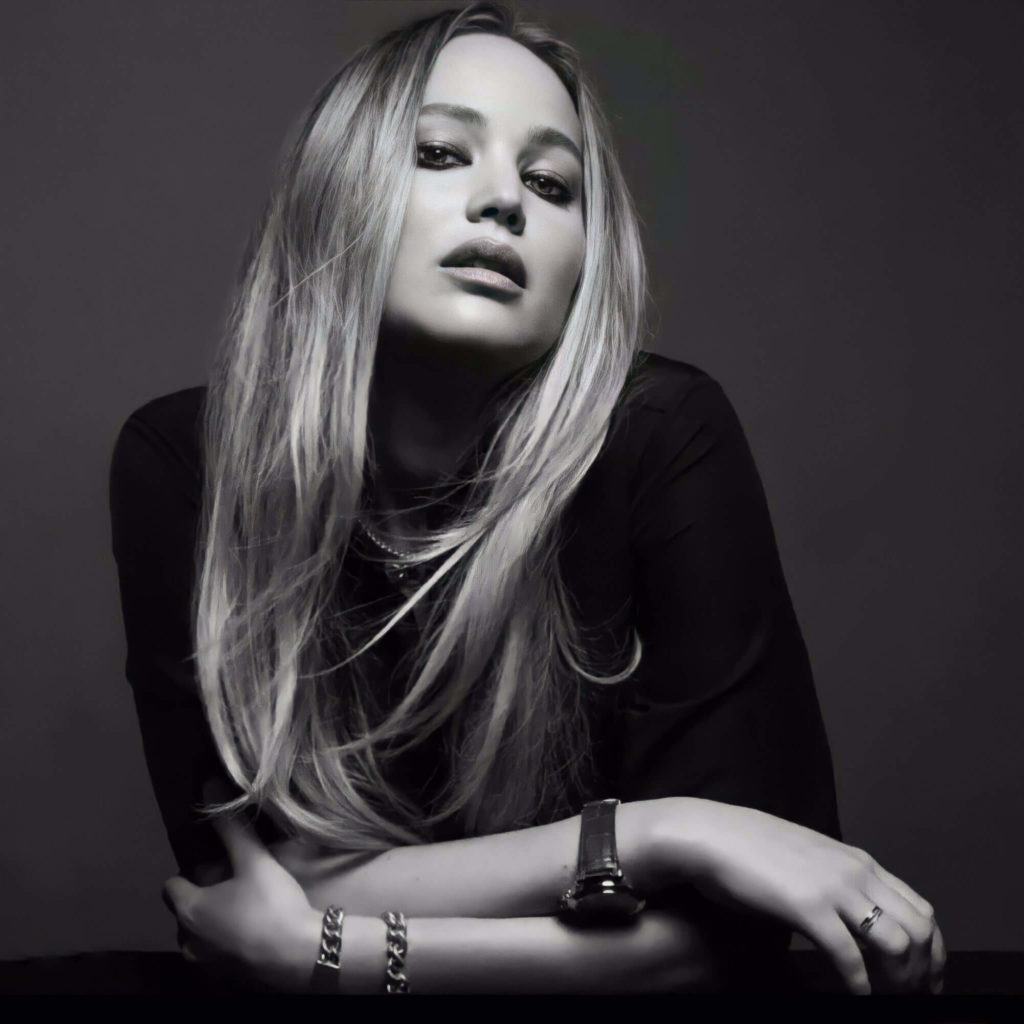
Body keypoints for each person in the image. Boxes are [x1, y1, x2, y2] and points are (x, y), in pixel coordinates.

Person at [108, 1, 945, 995]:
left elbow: (729, 937)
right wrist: (665, 833)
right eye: (439, 154)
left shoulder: (661, 434)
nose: (503, 201)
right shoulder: (188, 461)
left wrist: (336, 953)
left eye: (551, 183)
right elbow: (254, 886)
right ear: (336, 191)